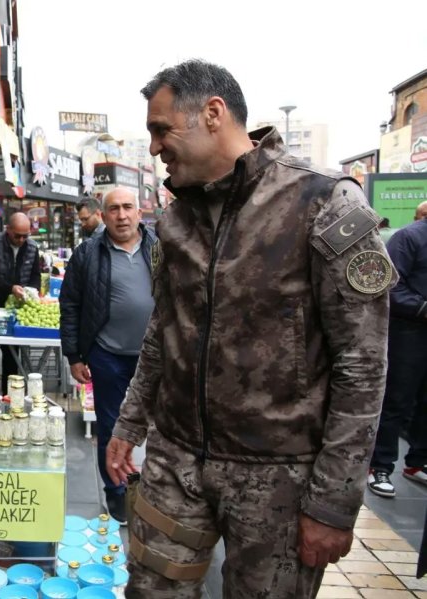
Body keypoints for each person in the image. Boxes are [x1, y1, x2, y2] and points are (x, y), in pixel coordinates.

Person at [105, 59, 396, 598]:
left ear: (212, 114)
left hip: (279, 478)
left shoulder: (324, 202)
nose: (154, 147)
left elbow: (363, 366)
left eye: (161, 129)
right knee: (150, 591)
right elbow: (162, 335)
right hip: (174, 459)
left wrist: (334, 502)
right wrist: (129, 425)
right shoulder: (175, 219)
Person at [60, 186, 156, 523]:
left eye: (128, 207)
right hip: (107, 355)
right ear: (103, 216)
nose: (122, 215)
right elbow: (70, 305)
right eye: (114, 209)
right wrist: (74, 356)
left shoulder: (160, 247)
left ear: (139, 213)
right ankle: (116, 492)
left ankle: (157, 490)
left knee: (162, 428)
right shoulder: (87, 253)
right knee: (111, 426)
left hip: (155, 358)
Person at [368, 208, 427, 497]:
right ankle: (380, 466)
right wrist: (422, 307)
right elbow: (388, 285)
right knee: (396, 400)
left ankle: (418, 461)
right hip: (408, 332)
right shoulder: (409, 238)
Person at [0, 212, 42, 392]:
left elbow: (35, 275)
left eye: (25, 236)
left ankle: (9, 394)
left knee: (11, 351)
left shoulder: (32, 247)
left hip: (14, 306)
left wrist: (32, 291)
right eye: (17, 236)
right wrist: (10, 288)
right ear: (8, 229)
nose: (21, 240)